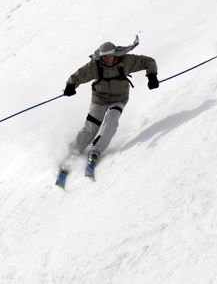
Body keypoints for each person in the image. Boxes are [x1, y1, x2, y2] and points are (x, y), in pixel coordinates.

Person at [56, 36, 159, 187]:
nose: (107, 60)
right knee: (91, 128)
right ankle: (74, 151)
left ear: (114, 54)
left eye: (109, 57)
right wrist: (71, 85)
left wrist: (152, 76)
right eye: (104, 58)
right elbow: (79, 75)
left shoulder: (126, 61)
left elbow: (148, 61)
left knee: (111, 122)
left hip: (119, 98)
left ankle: (96, 151)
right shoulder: (96, 65)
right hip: (99, 99)